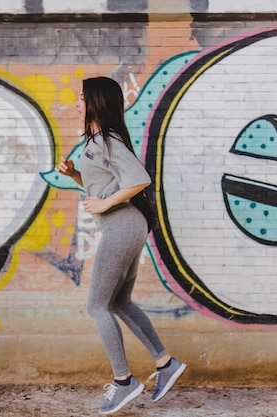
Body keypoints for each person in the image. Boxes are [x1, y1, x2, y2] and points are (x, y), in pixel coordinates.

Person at [56, 76, 186, 415]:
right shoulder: (99, 141)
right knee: (119, 301)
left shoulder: (107, 139)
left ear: (98, 102)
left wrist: (102, 205)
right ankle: (165, 362)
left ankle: (124, 381)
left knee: (97, 305)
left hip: (122, 226)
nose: (77, 103)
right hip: (127, 226)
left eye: (82, 98)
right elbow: (107, 184)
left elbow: (139, 179)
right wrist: (74, 176)